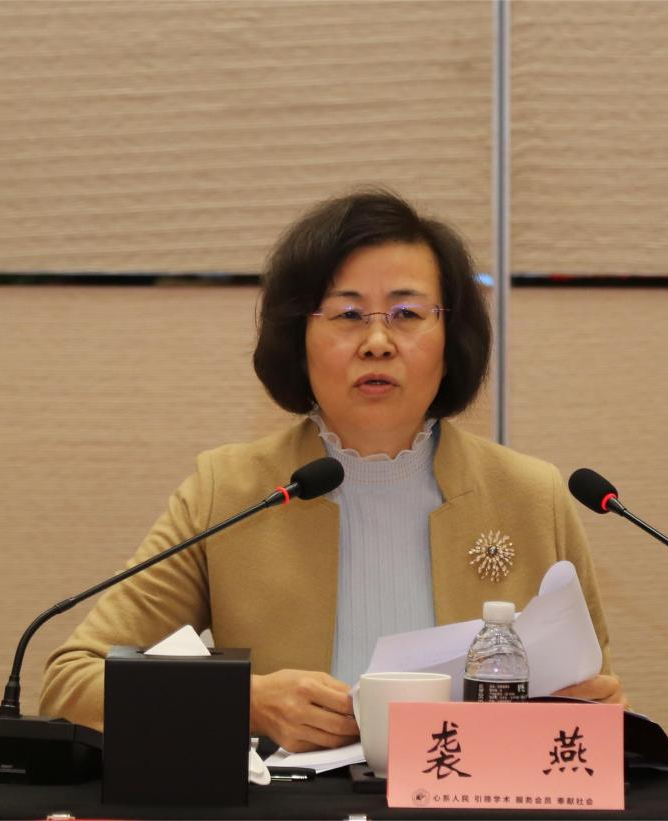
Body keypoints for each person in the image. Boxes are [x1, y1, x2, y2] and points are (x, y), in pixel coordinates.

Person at [40, 189, 625, 752]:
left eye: (408, 313)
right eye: (348, 314)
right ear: (299, 339)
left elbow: (596, 699)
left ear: (452, 340)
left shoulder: (530, 496)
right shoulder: (230, 492)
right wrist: (246, 702)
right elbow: (72, 684)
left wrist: (590, 713)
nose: (377, 342)